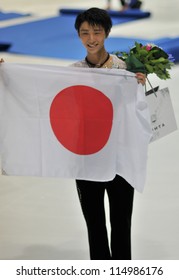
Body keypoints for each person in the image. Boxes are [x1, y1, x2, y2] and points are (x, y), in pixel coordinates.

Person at [71, 7, 146, 260]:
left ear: (107, 33)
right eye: (84, 33)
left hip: (121, 160)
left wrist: (140, 83)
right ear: (78, 36)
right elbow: (40, 93)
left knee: (122, 225)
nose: (91, 38)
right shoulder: (72, 73)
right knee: (95, 225)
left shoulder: (127, 70)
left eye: (97, 32)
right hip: (87, 160)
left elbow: (142, 111)